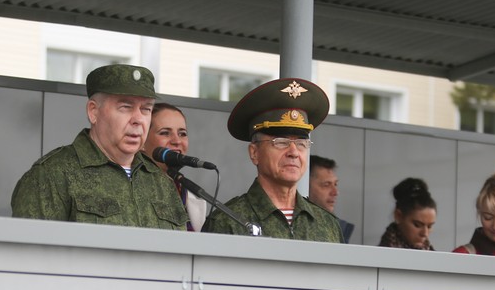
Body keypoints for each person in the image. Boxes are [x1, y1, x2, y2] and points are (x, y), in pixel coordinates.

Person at [11, 64, 186, 229]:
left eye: (146, 109)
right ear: (93, 112)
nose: (138, 119)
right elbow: (30, 248)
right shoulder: (52, 175)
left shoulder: (161, 182)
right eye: (125, 107)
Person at [201, 78, 341, 241]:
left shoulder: (327, 223)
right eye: (281, 142)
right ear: (254, 153)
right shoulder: (228, 221)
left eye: (301, 143)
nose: (294, 152)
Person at [143, 102, 208, 231]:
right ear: (142, 141)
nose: (177, 141)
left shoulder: (188, 194)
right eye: (165, 133)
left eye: (182, 133)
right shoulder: (132, 188)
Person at [379, 177, 437, 250]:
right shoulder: (381, 254)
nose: (425, 233)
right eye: (417, 225)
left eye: (429, 226)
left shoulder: (431, 253)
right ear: (398, 216)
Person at [308, 155, 354, 242]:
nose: (335, 192)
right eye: (326, 185)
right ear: (306, 186)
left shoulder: (339, 229)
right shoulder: (290, 227)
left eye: (335, 184)